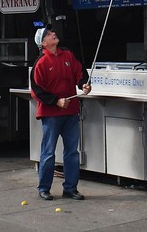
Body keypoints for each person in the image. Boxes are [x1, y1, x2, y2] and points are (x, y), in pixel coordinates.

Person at [30, 27, 91, 201]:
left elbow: (80, 72)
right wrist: (56, 101)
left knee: (72, 152)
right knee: (48, 152)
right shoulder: (41, 62)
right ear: (43, 43)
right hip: (51, 114)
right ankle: (44, 188)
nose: (53, 34)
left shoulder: (68, 56)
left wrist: (84, 84)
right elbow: (36, 90)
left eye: (52, 32)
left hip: (71, 112)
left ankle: (70, 188)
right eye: (48, 34)